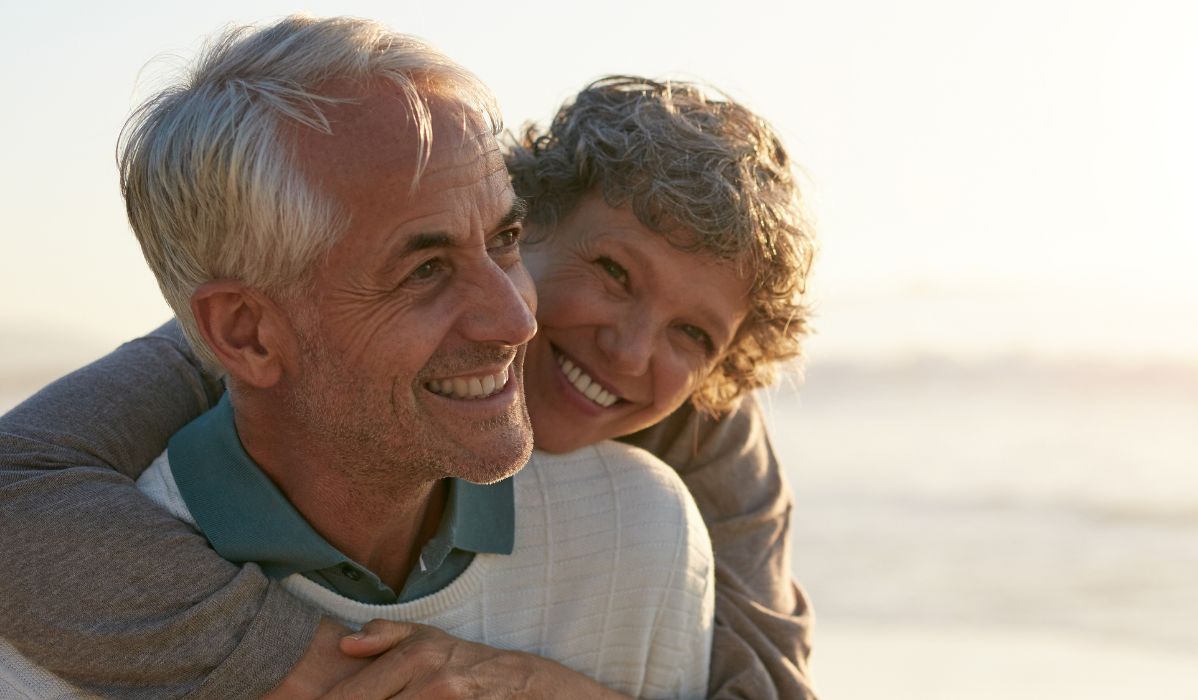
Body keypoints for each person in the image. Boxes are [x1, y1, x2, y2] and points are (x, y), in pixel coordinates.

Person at [0, 16, 816, 699]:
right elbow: (15, 486)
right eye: (611, 274)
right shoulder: (219, 351)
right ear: (528, 219)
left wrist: (537, 686)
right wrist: (313, 663)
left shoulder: (689, 456)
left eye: (693, 336)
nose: (635, 349)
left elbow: (771, 684)